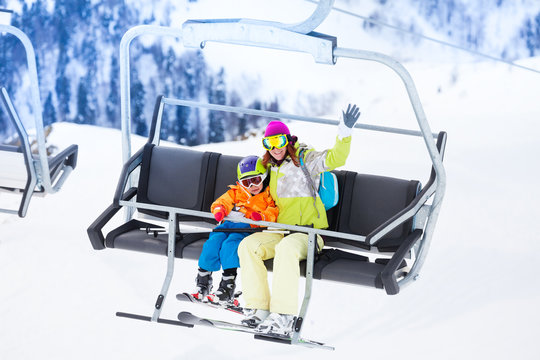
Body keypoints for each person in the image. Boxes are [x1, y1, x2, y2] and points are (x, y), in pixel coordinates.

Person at [238, 104, 361, 335]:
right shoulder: (269, 167)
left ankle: (283, 315)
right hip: (280, 231)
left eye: (279, 141)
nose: (275, 148)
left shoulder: (305, 158)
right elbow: (247, 182)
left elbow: (336, 158)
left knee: (286, 249)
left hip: (309, 235)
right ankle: (258, 309)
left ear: (288, 140)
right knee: (248, 246)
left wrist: (345, 133)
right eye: (269, 143)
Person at [193, 155, 279, 305]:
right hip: (228, 224)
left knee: (230, 245)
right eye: (247, 182)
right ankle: (203, 281)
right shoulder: (237, 191)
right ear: (241, 183)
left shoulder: (267, 195)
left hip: (247, 228)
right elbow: (223, 201)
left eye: (256, 180)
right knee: (212, 243)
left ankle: (227, 285)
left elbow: (273, 212)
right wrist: (219, 209)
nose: (252, 186)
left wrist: (260, 216)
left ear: (264, 177)